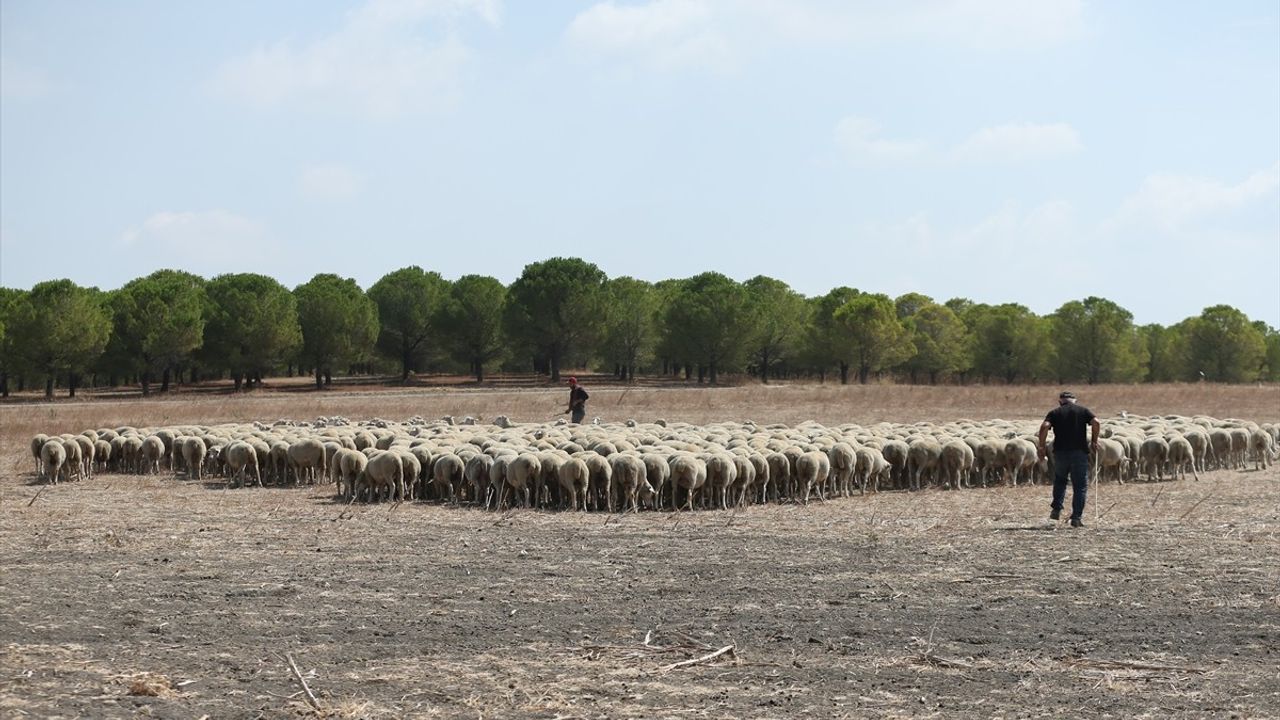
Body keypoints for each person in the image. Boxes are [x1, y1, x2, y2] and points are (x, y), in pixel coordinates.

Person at [1037, 390, 1100, 528]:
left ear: (1060, 401)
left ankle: (1057, 508)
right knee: (1080, 486)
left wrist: (1041, 446)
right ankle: (1076, 518)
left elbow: (1044, 426)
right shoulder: (1083, 411)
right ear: (1074, 400)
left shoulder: (1055, 412)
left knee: (1060, 480)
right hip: (1079, 453)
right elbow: (1096, 422)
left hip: (1060, 453)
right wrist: (1095, 440)